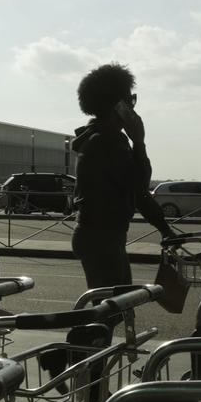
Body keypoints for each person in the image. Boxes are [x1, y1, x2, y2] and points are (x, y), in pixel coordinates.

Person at [70, 63, 175, 289]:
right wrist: (139, 141)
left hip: (100, 235)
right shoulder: (107, 141)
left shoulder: (99, 137)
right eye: (131, 100)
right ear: (117, 106)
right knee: (113, 310)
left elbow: (135, 191)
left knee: (114, 308)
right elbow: (138, 185)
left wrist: (164, 228)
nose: (133, 106)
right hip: (101, 237)